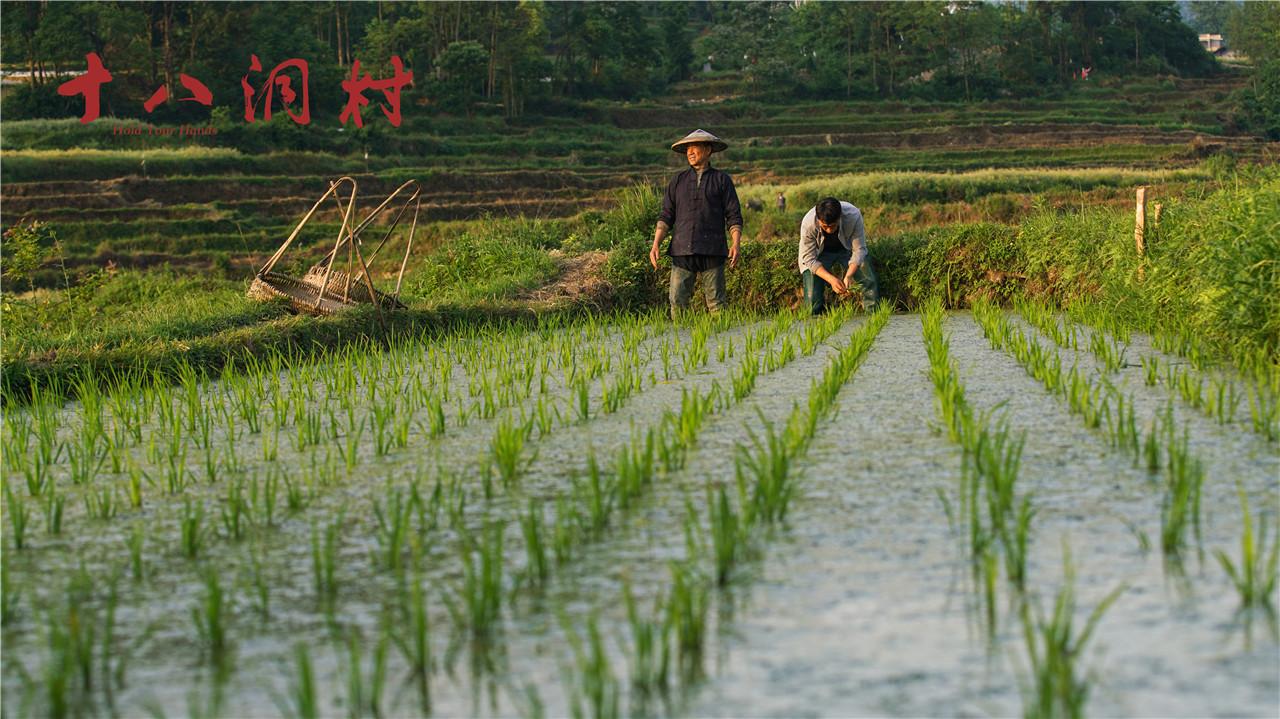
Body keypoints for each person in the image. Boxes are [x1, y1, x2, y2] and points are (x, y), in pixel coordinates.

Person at [649, 129, 743, 316]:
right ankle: (681, 343)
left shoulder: (722, 180)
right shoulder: (678, 181)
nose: (690, 152)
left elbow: (733, 215)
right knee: (677, 300)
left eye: (695, 147)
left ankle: (720, 342)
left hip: (712, 249)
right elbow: (666, 215)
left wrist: (736, 243)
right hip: (682, 248)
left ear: (708, 150)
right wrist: (655, 244)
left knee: (717, 303)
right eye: (688, 149)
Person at [798, 197, 879, 315]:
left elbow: (859, 250)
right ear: (818, 220)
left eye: (833, 225)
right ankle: (814, 322)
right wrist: (832, 280)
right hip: (819, 254)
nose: (829, 230)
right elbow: (809, 259)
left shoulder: (853, 215)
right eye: (825, 227)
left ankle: (874, 314)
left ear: (840, 217)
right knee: (812, 297)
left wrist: (849, 275)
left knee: (868, 278)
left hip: (847, 250)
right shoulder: (808, 223)